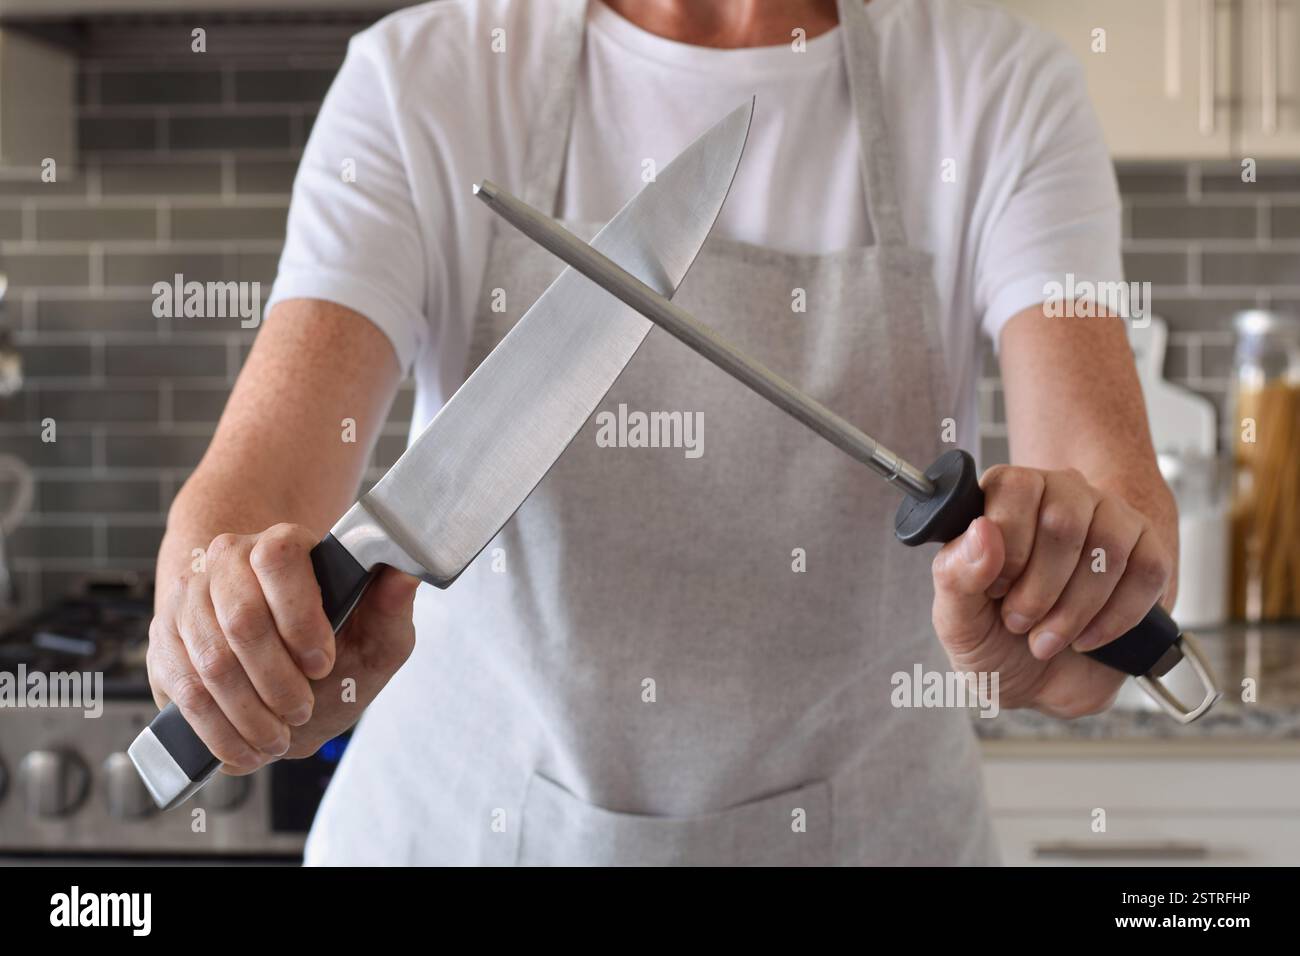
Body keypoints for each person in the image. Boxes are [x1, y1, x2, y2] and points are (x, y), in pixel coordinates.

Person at [144, 0, 1177, 865]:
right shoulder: (425, 76)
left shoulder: (996, 86)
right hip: (459, 828)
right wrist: (228, 629)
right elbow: (251, 495)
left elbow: (1105, 503)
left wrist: (1070, 611)